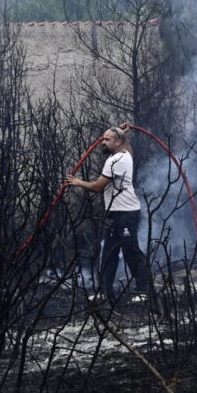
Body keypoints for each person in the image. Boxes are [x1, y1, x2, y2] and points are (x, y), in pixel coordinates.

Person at [65, 124, 150, 304]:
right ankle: (105, 292)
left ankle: (144, 290)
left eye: (107, 139)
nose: (102, 142)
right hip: (114, 213)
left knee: (130, 251)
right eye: (103, 138)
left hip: (126, 213)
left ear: (117, 142)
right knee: (109, 252)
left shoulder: (116, 160)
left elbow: (98, 187)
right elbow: (127, 146)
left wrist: (77, 182)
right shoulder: (125, 154)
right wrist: (122, 135)